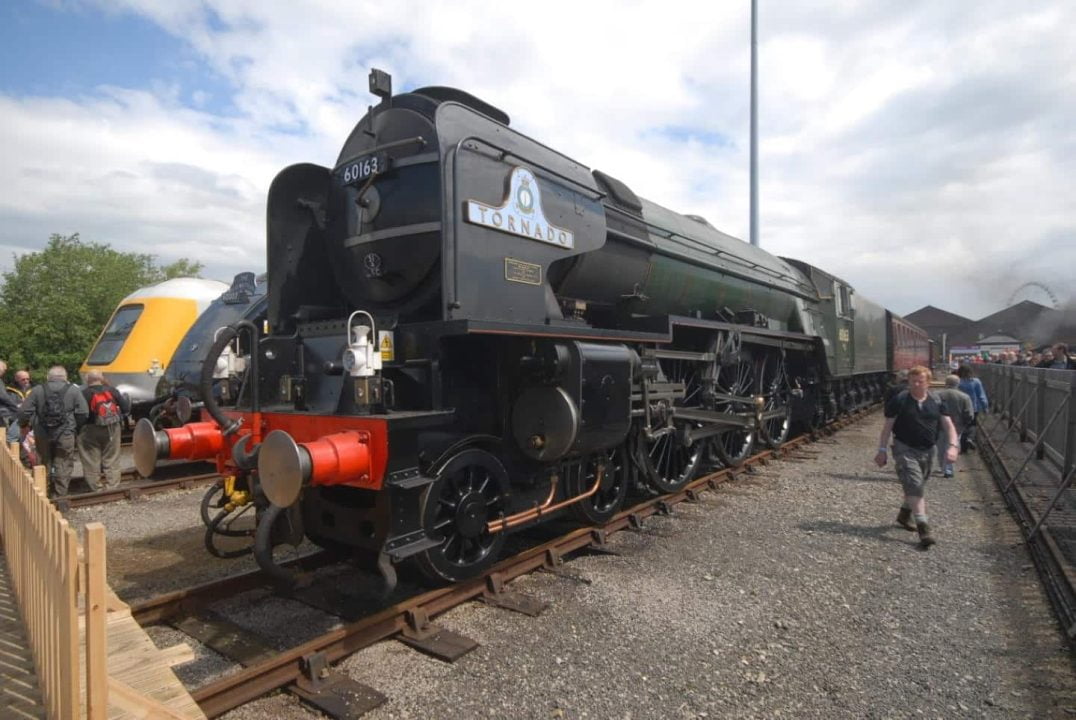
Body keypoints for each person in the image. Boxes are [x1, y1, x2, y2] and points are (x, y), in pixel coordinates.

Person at [874, 366, 958, 549]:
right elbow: (887, 427)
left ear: (928, 382)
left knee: (917, 485)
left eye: (920, 381)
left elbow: (949, 426)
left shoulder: (937, 400)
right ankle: (923, 528)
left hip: (928, 450)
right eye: (913, 381)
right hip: (904, 449)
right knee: (914, 484)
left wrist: (953, 446)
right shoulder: (900, 400)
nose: (916, 385)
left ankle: (904, 515)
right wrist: (882, 450)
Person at [17, 365, 88, 497]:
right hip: (65, 433)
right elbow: (83, 412)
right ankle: (60, 493)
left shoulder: (38, 390)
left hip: (42, 432)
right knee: (64, 461)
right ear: (65, 377)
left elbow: (23, 411)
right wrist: (74, 427)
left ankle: (44, 491)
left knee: (43, 461)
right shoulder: (73, 390)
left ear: (48, 377)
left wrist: (24, 425)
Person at [78, 370, 130, 491]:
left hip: (89, 429)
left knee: (91, 459)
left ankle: (96, 488)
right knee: (112, 457)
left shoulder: (83, 393)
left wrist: (78, 429)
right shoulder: (112, 390)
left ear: (87, 380)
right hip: (112, 427)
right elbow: (125, 408)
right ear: (101, 379)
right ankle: (112, 486)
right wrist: (119, 419)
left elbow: (79, 414)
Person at [934, 375, 973, 478]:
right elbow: (969, 413)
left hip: (940, 425)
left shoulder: (938, 395)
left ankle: (943, 466)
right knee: (952, 446)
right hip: (957, 426)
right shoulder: (964, 397)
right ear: (958, 383)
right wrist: (966, 423)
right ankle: (948, 469)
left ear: (946, 383)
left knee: (941, 446)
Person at [956, 364, 988, 452]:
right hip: (973, 407)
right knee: (972, 424)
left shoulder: (958, 382)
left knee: (962, 426)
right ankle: (970, 438)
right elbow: (981, 395)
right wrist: (985, 406)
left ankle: (963, 448)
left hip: (960, 407)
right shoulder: (976, 381)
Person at [0, 360, 22, 444]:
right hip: (3, 412)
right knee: (22, 416)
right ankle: (10, 440)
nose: (4, 372)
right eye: (4, 369)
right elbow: (3, 397)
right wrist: (16, 406)